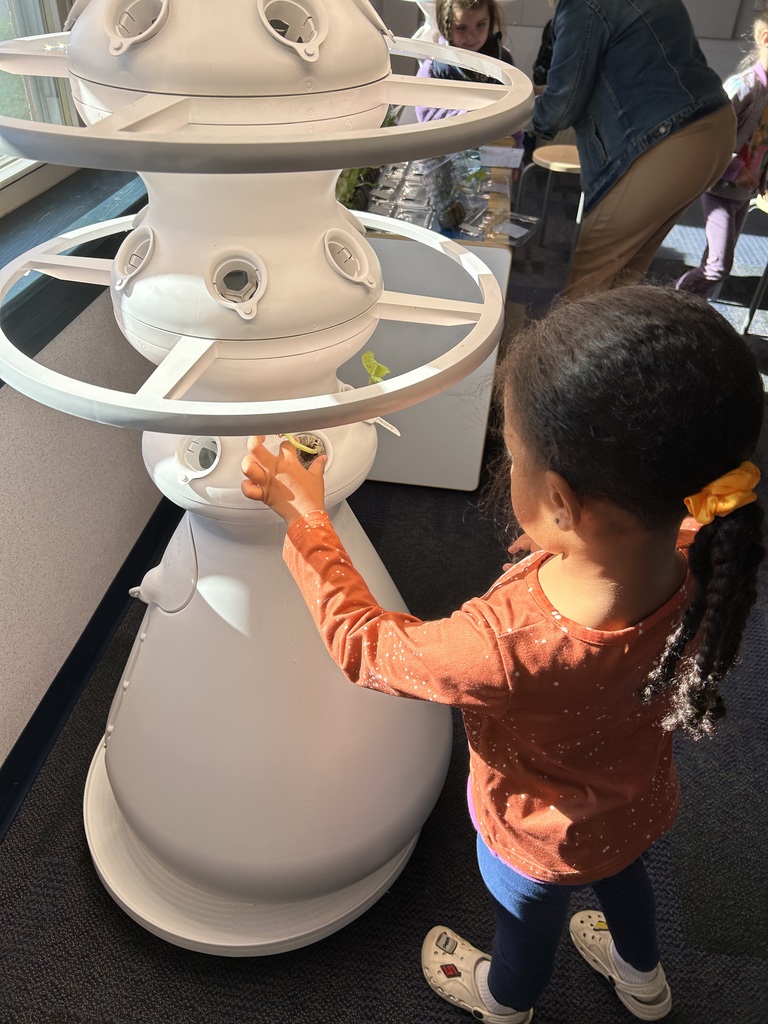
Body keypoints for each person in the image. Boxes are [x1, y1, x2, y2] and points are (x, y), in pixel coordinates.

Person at [241, 285, 764, 1022]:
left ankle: (502, 1003)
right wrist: (561, 546)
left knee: (526, 932)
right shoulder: (710, 550)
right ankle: (644, 984)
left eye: (511, 454)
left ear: (561, 500)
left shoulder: (504, 645)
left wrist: (304, 516)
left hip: (535, 841)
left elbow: (367, 646)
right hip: (638, 804)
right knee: (626, 886)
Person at [532, 0, 736, 299]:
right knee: (623, 278)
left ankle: (574, 347)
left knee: (586, 288)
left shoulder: (581, 5)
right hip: (711, 126)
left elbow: (562, 106)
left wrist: (511, 115)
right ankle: (615, 342)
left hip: (670, 141)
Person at [676, 14, 768, 298]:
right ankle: (674, 303)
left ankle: (691, 309)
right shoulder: (744, 87)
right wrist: (736, 170)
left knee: (715, 262)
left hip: (743, 194)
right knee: (717, 267)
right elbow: (708, 136)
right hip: (721, 188)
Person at [414, 0, 523, 151]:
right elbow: (426, 116)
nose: (472, 36)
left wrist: (515, 154)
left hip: (494, 159)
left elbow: (516, 114)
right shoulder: (435, 66)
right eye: (461, 28)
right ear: (446, 26)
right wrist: (469, 115)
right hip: (449, 157)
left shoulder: (503, 61)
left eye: (480, 25)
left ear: (491, 21)